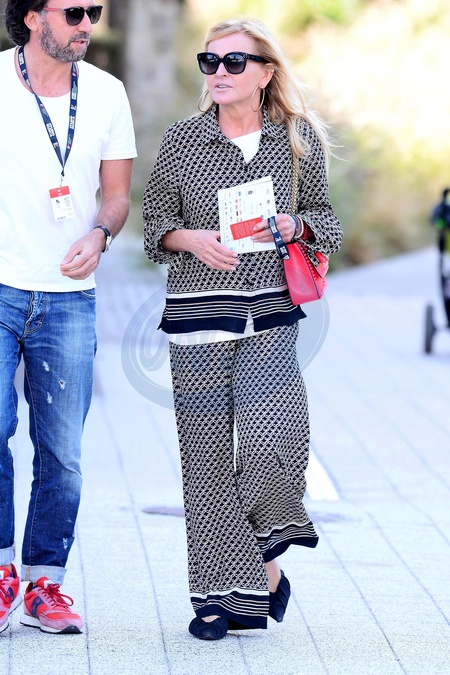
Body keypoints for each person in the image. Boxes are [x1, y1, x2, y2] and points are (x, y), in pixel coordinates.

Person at [143, 17, 342, 641]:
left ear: (265, 73)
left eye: (235, 62)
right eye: (211, 62)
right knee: (204, 460)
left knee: (267, 440)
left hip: (271, 318)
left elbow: (327, 221)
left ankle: (264, 566)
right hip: (198, 318)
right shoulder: (182, 140)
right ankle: (219, 600)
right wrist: (191, 240)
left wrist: (296, 226)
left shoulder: (297, 141)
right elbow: (154, 226)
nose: (220, 73)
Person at [0, 1, 136, 635]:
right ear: (32, 17)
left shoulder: (107, 94)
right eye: (74, 11)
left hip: (69, 296)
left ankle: (44, 584)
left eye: (95, 11)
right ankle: (2, 574)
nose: (87, 24)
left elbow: (117, 196)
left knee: (62, 452)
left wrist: (101, 235)